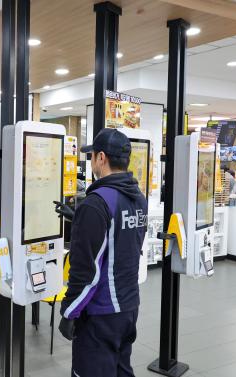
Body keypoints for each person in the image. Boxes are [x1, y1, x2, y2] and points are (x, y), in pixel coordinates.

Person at [58, 128, 148, 377]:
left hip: (101, 313)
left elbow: (86, 271)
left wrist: (69, 311)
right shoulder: (138, 197)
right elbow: (124, 241)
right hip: (129, 306)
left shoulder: (96, 203)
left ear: (101, 158)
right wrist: (80, 218)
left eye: (92, 156)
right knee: (120, 370)